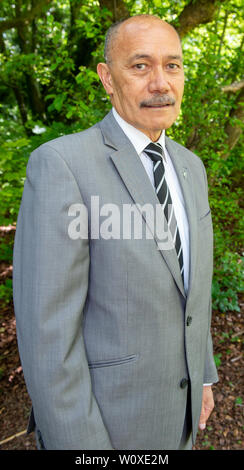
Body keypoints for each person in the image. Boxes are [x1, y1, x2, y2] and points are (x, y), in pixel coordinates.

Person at [13, 15, 218, 450]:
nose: (160, 83)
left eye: (173, 66)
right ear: (107, 78)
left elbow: (191, 289)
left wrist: (202, 375)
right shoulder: (62, 166)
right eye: (140, 66)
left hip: (177, 420)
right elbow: (47, 336)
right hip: (109, 427)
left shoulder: (191, 167)